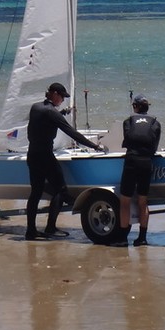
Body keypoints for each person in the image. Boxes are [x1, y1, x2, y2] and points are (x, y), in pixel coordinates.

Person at [25, 82, 105, 241]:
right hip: (45, 156)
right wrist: (94, 146)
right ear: (54, 93)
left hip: (32, 155)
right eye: (61, 96)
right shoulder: (51, 112)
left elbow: (43, 120)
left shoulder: (36, 107)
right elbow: (72, 133)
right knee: (61, 190)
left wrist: (60, 113)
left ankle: (31, 231)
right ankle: (50, 228)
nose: (62, 100)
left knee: (35, 193)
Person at [114, 94, 161, 247]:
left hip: (132, 161)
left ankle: (122, 239)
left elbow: (127, 140)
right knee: (142, 201)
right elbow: (154, 147)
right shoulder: (155, 122)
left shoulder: (128, 121)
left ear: (135, 107)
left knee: (125, 201)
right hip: (146, 163)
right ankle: (142, 238)